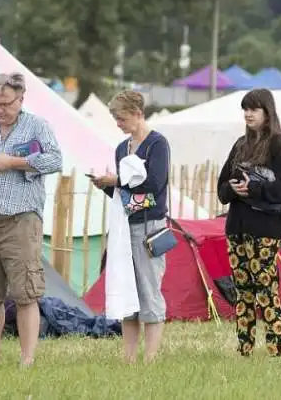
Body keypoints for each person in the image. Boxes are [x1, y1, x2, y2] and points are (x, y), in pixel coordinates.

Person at [0, 72, 62, 368]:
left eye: (6, 103)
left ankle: (27, 358)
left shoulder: (37, 127)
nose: (0, 110)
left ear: (21, 99)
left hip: (22, 220)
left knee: (26, 292)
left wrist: (13, 162)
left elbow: (55, 160)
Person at [217, 88, 281, 357]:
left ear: (267, 112)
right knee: (243, 290)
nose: (248, 114)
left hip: (264, 228)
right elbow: (221, 188)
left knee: (265, 287)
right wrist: (234, 189)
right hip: (237, 227)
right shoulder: (240, 145)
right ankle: (245, 348)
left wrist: (255, 190)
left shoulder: (279, 145)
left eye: (254, 109)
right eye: (245, 109)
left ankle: (275, 348)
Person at [90, 90, 170, 364]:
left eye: (121, 118)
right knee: (128, 291)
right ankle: (129, 356)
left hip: (150, 226)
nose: (118, 123)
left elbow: (154, 186)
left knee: (149, 291)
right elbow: (122, 194)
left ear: (138, 113)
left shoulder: (158, 145)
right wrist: (106, 185)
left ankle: (150, 357)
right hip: (126, 226)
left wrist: (117, 181)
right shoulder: (121, 149)